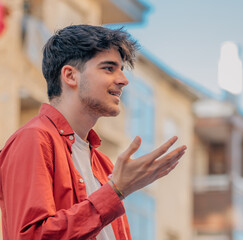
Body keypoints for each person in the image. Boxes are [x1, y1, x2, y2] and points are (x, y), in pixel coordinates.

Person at [0, 24, 187, 239]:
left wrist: (117, 190)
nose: (123, 81)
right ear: (70, 76)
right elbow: (31, 236)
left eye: (121, 70)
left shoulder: (103, 164)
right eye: (108, 68)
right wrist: (116, 191)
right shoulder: (34, 139)